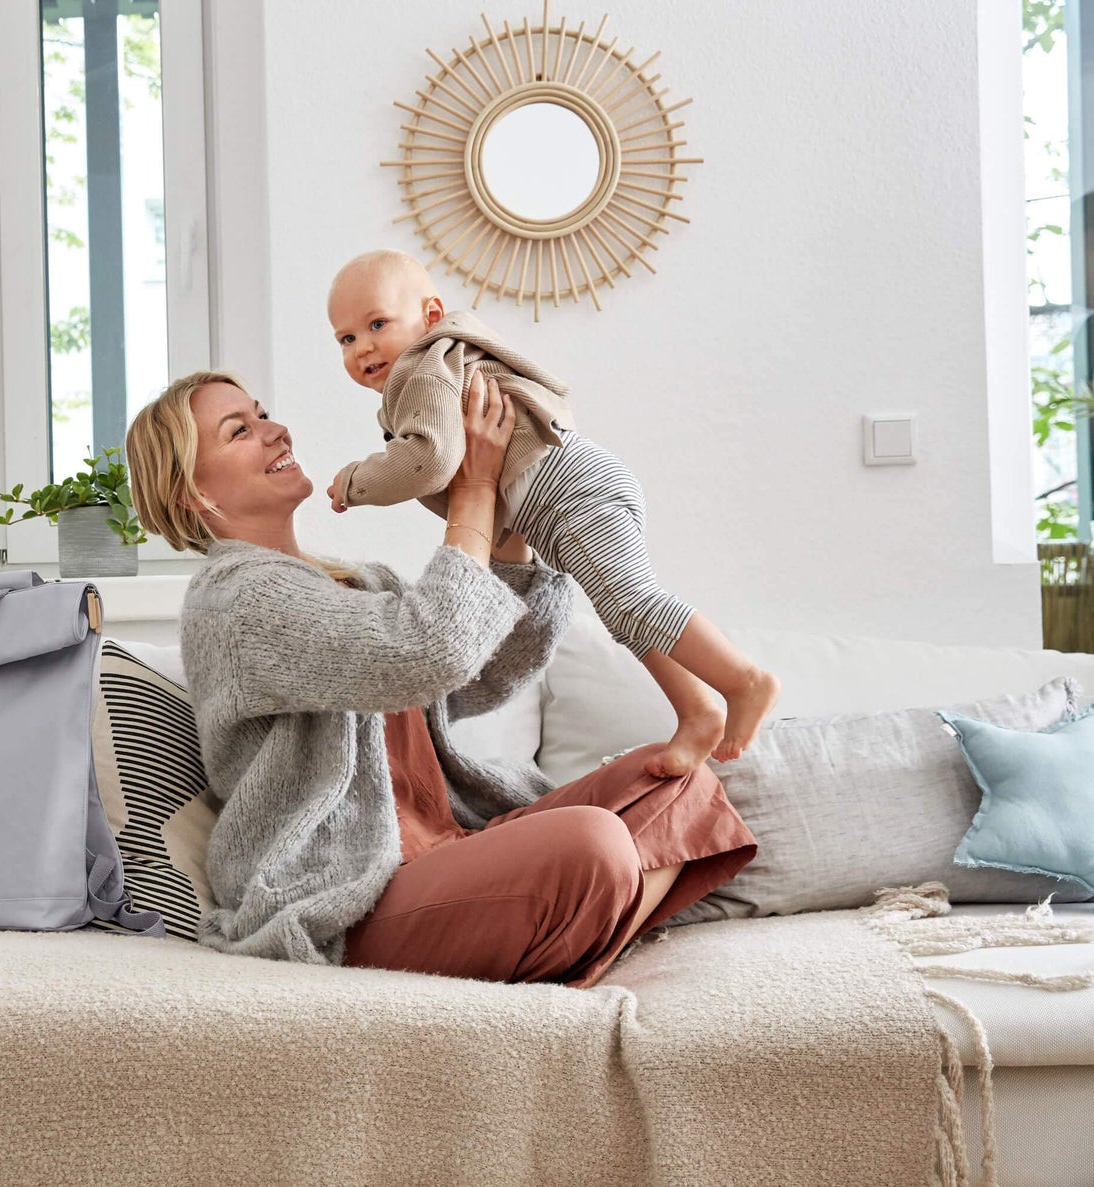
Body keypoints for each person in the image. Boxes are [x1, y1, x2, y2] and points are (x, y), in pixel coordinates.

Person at [122, 367, 756, 987]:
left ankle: (569, 951)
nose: (276, 430)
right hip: (355, 901)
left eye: (262, 414)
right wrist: (472, 491)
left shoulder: (357, 582)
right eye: (240, 430)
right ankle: (575, 949)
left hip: (453, 850)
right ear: (190, 492)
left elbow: (480, 674)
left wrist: (511, 512)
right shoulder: (235, 602)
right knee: (593, 845)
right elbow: (432, 649)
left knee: (680, 780)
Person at [324, 248, 780, 778]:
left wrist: (356, 481)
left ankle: (744, 680)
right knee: (625, 617)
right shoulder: (442, 362)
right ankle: (698, 711)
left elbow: (429, 459)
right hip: (571, 493)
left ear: (429, 317)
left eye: (378, 323)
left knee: (634, 603)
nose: (364, 347)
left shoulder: (425, 368)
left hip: (572, 494)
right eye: (346, 338)